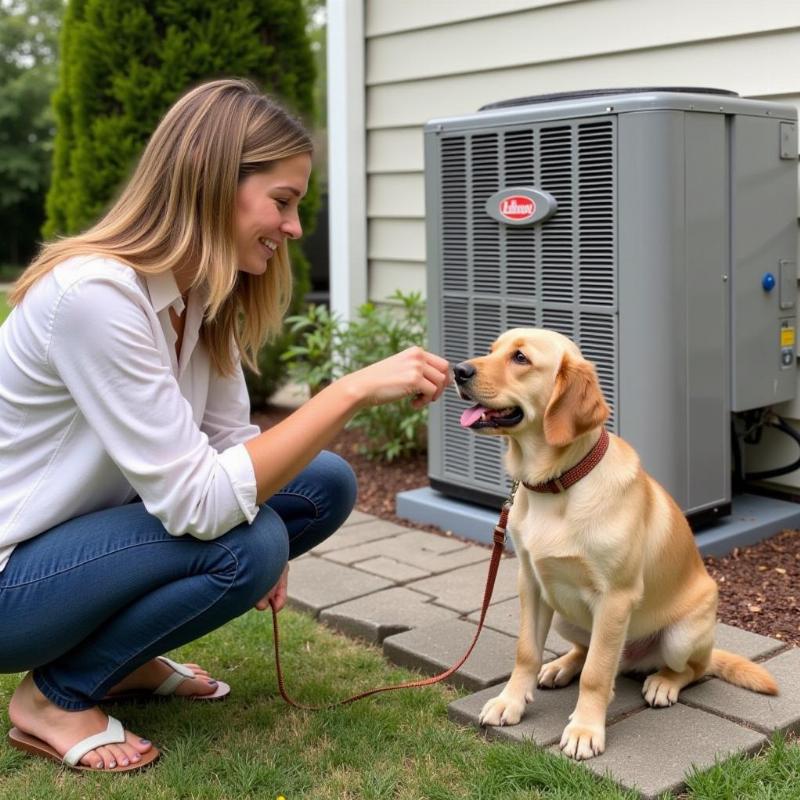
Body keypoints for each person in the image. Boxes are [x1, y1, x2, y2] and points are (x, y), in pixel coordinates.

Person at [0, 78, 450, 773]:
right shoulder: (95, 296)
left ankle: (123, 661)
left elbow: (233, 446)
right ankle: (52, 699)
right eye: (283, 202)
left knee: (321, 482)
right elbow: (199, 504)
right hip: (14, 584)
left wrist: (254, 494)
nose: (295, 229)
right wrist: (349, 392)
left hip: (82, 548)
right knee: (249, 543)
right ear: (214, 183)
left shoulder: (197, 299)